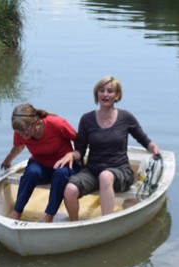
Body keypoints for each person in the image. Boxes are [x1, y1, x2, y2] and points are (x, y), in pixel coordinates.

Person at [56, 76, 162, 221]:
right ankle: (74, 224)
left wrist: (154, 148)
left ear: (117, 96)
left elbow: (144, 140)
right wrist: (71, 155)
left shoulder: (126, 117)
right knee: (70, 189)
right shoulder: (86, 119)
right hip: (93, 170)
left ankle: (106, 222)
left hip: (120, 171)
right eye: (101, 90)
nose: (105, 94)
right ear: (97, 94)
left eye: (110, 91)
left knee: (105, 176)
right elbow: (80, 150)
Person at [1, 103, 78, 223]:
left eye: (24, 130)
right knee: (31, 172)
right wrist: (8, 160)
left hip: (63, 165)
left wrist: (73, 155)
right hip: (41, 165)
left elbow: (79, 140)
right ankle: (16, 214)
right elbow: (19, 147)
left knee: (60, 173)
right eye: (18, 131)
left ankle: (49, 216)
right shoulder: (21, 132)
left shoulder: (56, 123)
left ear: (35, 122)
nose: (22, 134)